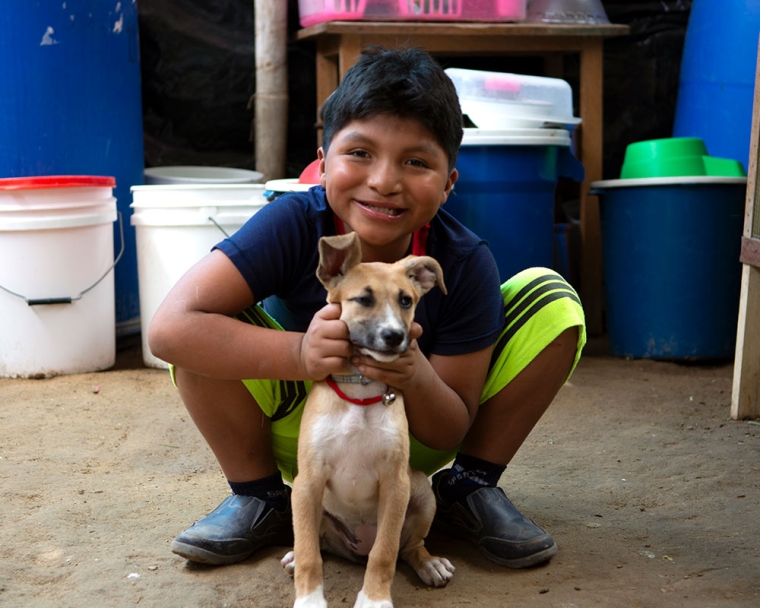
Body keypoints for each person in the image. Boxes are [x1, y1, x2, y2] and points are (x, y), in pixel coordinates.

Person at [149, 45, 586, 570]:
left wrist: (415, 373)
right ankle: (259, 495)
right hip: (306, 436)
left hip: (411, 447)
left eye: (417, 162)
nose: (384, 180)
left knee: (552, 302)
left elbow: (449, 429)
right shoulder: (293, 223)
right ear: (323, 159)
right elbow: (169, 330)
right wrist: (301, 354)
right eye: (359, 153)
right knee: (205, 323)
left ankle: (467, 490)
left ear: (449, 183)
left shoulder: (462, 261)